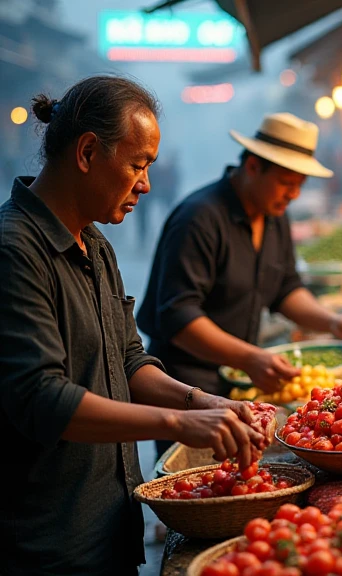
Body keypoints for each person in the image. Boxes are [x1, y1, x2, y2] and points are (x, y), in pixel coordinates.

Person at [0, 76, 264, 575]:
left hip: (111, 531)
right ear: (87, 153)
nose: (145, 184)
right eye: (137, 165)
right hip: (48, 547)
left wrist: (202, 402)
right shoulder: (15, 251)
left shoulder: (95, 244)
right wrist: (180, 424)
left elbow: (127, 359)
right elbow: (41, 398)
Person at [138, 113, 342, 435]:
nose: (294, 194)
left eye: (300, 185)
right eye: (286, 183)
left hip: (239, 380)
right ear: (252, 166)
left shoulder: (274, 215)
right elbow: (177, 316)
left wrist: (332, 322)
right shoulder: (199, 219)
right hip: (189, 389)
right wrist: (250, 358)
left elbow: (285, 288)